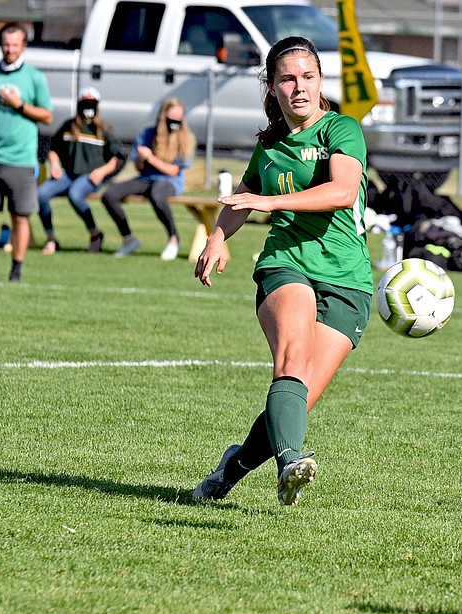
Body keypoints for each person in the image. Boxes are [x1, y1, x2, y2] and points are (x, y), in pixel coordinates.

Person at [192, 36, 374, 506]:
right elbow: (243, 198)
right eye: (287, 79)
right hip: (286, 264)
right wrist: (217, 236)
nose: (299, 88)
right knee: (290, 362)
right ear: (271, 87)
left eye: (308, 77)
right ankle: (292, 463)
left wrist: (267, 202)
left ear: (319, 82)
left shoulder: (341, 129)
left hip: (348, 279)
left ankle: (231, 468)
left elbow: (341, 192)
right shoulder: (270, 146)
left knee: (298, 399)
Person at [0, 21, 54, 281]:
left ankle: (16, 270)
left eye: (15, 44)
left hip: (21, 159)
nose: (10, 49)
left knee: (20, 217)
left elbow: (46, 116)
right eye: (6, 44)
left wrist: (19, 105)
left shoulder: (35, 77)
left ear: (23, 46)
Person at [102, 97, 195, 260]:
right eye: (171, 115)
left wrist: (151, 158)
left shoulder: (185, 138)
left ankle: (173, 238)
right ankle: (128, 238)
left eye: (179, 116)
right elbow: (138, 168)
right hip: (145, 178)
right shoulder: (147, 134)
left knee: (157, 195)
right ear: (163, 115)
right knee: (109, 195)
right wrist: (141, 158)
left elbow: (173, 171)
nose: (175, 119)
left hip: (169, 182)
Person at [37, 86, 122, 254]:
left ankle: (94, 234)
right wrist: (54, 165)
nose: (88, 107)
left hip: (90, 175)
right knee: (41, 194)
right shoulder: (69, 126)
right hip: (69, 173)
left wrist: (102, 172)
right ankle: (51, 238)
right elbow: (53, 149)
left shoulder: (103, 130)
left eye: (91, 104)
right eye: (85, 103)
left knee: (75, 194)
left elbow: (117, 157)